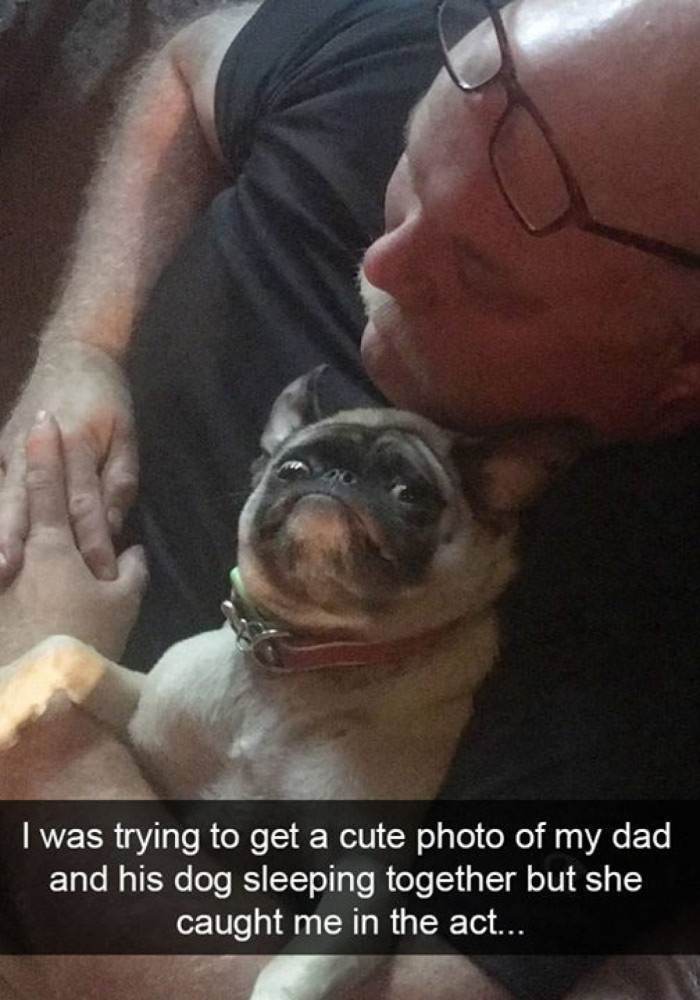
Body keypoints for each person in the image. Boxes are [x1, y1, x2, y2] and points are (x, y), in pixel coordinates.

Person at [0, 0, 698, 995]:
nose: (382, 264)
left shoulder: (655, 615)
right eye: (406, 178)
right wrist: (83, 347)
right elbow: (187, 74)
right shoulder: (455, 56)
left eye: (482, 280)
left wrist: (41, 738)